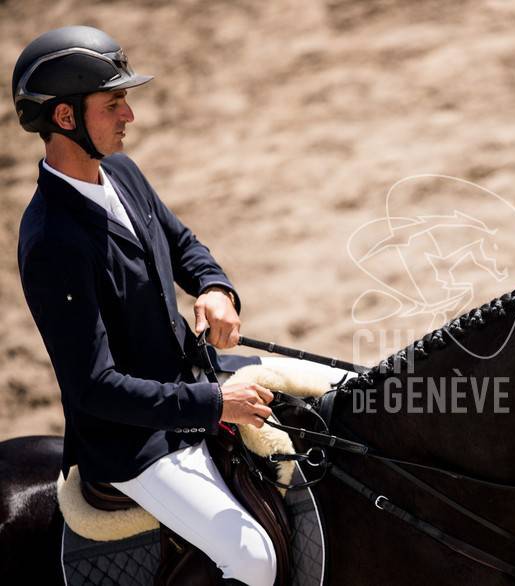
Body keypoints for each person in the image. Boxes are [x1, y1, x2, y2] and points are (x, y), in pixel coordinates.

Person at [14, 26, 277, 586]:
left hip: (193, 384)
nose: (129, 115)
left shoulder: (122, 173)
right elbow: (94, 387)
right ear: (65, 119)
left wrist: (214, 288)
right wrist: (212, 405)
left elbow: (183, 245)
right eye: (113, 104)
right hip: (135, 444)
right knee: (253, 561)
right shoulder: (51, 241)